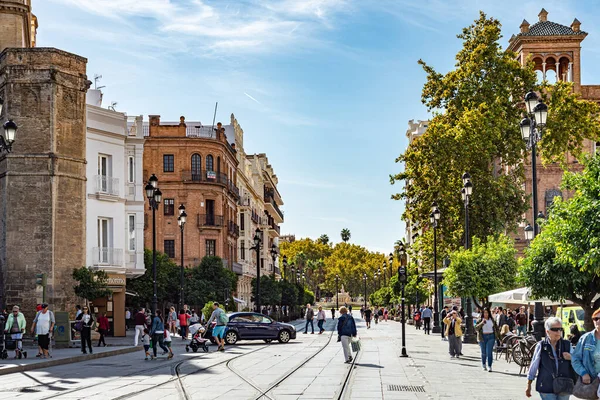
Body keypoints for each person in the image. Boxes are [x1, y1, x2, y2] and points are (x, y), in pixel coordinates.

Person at [526, 317, 573, 399]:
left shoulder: (567, 344)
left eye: (560, 329)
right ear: (547, 331)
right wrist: (529, 384)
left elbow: (578, 361)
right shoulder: (541, 345)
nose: (558, 332)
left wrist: (571, 357)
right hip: (546, 385)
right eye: (555, 329)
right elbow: (534, 365)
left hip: (564, 385)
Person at [571, 308, 600, 393]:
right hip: (591, 381)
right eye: (596, 319)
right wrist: (583, 373)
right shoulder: (585, 338)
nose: (598, 321)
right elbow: (575, 358)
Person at [475, 307, 499, 372]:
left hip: (491, 336)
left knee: (489, 352)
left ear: (489, 313)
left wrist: (499, 338)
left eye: (487, 312)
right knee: (484, 352)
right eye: (484, 312)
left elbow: (496, 328)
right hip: (482, 337)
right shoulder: (480, 320)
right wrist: (482, 323)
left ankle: (489, 366)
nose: (486, 314)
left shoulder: (492, 320)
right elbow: (476, 328)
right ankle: (483, 364)